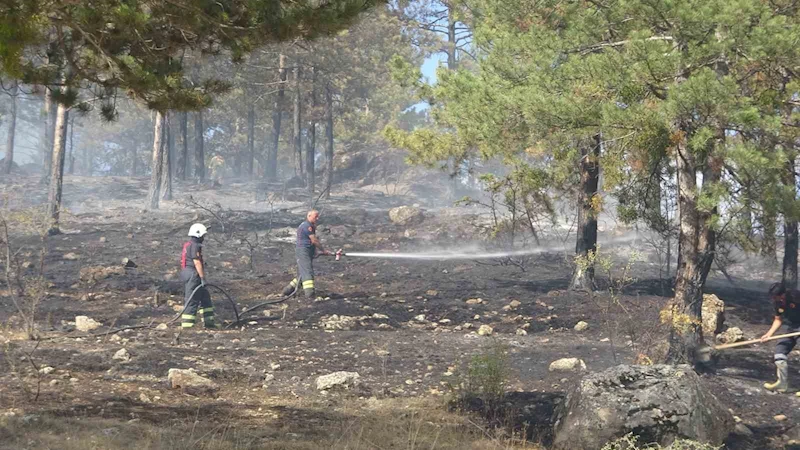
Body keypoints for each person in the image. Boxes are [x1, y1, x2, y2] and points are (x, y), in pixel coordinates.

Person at [761, 282, 800, 393]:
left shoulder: (796, 296)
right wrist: (769, 334)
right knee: (779, 353)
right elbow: (778, 320)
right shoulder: (777, 304)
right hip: (790, 328)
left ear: (783, 294)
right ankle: (782, 383)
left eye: (776, 297)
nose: (775, 299)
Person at [281, 210, 330, 298]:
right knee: (307, 272)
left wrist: (314, 252)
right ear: (309, 216)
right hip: (303, 251)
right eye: (316, 217)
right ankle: (309, 294)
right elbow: (314, 240)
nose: (317, 218)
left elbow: (310, 242)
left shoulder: (311, 226)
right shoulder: (307, 226)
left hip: (307, 251)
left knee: (302, 273)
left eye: (318, 217)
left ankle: (287, 290)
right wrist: (323, 250)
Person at [180, 223, 217, 329]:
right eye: (203, 235)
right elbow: (197, 262)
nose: (204, 237)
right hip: (193, 274)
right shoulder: (195, 246)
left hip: (188, 272)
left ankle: (209, 323)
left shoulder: (189, 244)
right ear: (198, 234)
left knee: (205, 297)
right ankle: (187, 325)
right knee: (192, 299)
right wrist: (202, 277)